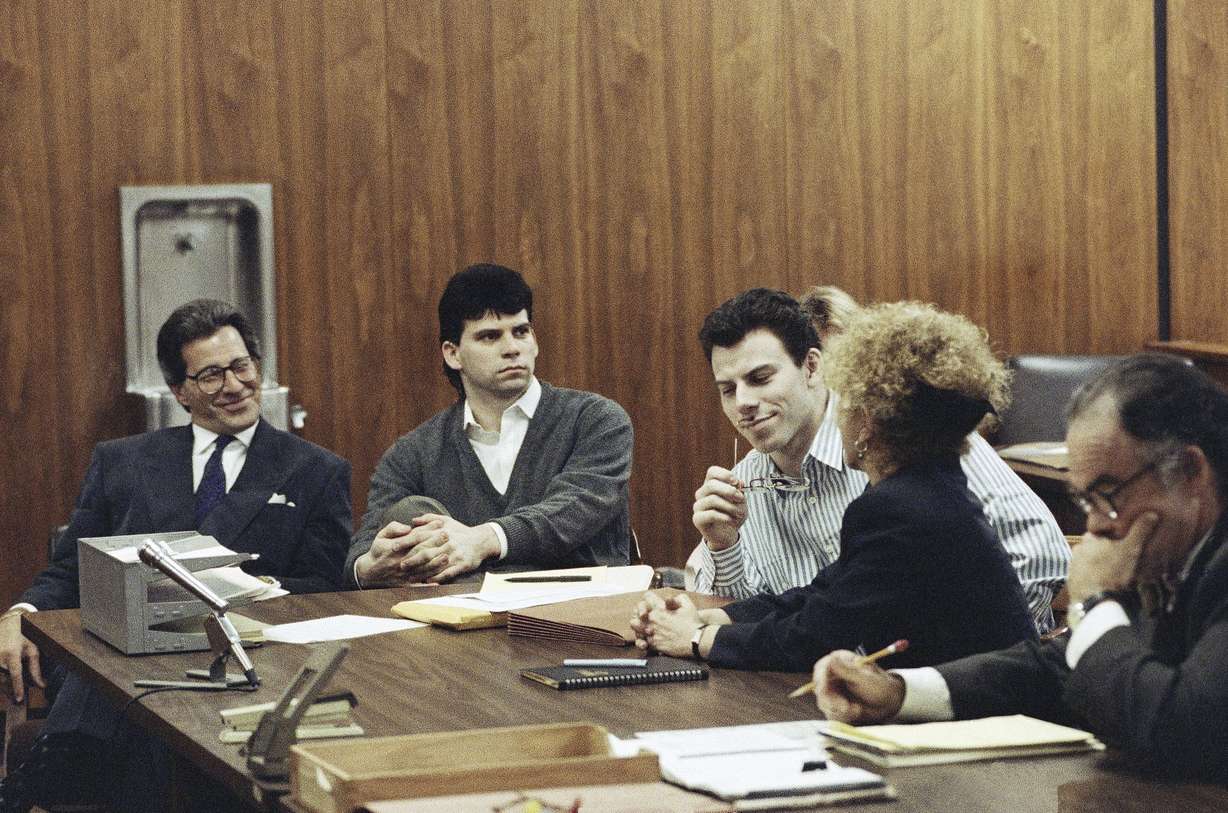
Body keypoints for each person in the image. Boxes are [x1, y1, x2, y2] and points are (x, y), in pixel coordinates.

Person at [0, 299, 352, 812]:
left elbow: (323, 589)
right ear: (179, 391)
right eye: (211, 375)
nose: (234, 385)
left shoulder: (316, 470)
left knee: (134, 700)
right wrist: (20, 614)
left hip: (243, 656)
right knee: (109, 663)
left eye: (242, 366)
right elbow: (72, 568)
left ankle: (58, 767)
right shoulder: (122, 461)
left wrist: (251, 592)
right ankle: (64, 763)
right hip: (127, 654)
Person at [812, 353, 1228, 782]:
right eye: (1084, 501)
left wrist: (1094, 605)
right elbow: (1059, 669)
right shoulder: (1168, 552)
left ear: (1189, 472)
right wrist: (899, 693)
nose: (1095, 525)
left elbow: (1185, 728)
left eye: (1107, 494)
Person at [633, 300, 1037, 672]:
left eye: (845, 402)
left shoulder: (898, 506)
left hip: (980, 713)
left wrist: (696, 638)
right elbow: (822, 592)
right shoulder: (927, 485)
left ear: (867, 421)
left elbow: (815, 635)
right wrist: (714, 617)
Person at [346, 263, 633, 587]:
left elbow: (572, 512)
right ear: (453, 354)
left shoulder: (597, 420)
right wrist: (371, 567)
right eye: (490, 336)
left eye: (521, 332)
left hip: (582, 611)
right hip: (463, 617)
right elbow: (361, 553)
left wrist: (481, 541)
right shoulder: (412, 454)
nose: (512, 348)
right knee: (407, 512)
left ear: (535, 341)